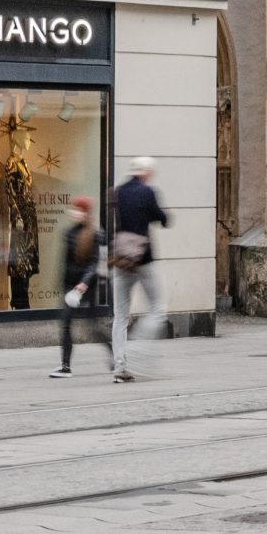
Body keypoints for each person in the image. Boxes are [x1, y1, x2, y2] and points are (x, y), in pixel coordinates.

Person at [108, 155, 168, 384]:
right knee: (158, 308)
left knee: (120, 316)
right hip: (143, 259)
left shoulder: (118, 192)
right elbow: (162, 218)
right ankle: (139, 348)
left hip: (122, 259)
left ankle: (120, 367)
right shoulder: (146, 191)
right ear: (146, 172)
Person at [50, 196, 103, 377]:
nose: (74, 212)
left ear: (86, 213)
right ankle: (65, 366)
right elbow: (64, 262)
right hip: (70, 287)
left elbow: (94, 263)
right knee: (66, 323)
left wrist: (84, 283)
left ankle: (115, 355)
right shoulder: (68, 232)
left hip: (85, 288)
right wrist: (63, 285)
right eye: (74, 209)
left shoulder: (94, 235)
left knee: (93, 327)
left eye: (79, 210)